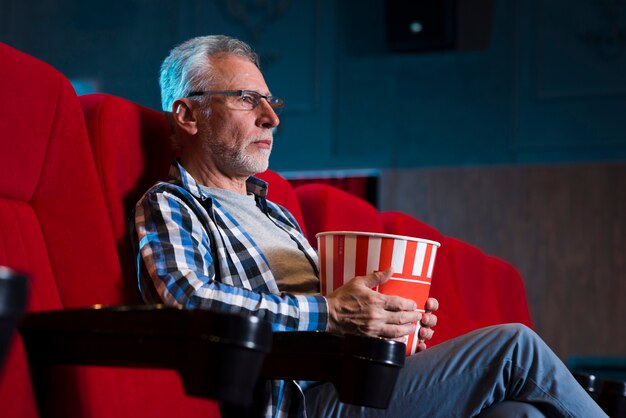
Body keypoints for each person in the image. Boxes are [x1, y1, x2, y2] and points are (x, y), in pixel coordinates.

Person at [131, 35, 606, 417]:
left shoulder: (273, 211)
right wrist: (333, 313)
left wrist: (388, 324)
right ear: (188, 114)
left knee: (518, 414)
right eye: (246, 99)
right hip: (299, 400)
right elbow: (189, 301)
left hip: (354, 376)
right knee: (515, 346)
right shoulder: (172, 203)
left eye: (270, 101)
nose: (271, 117)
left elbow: (337, 314)